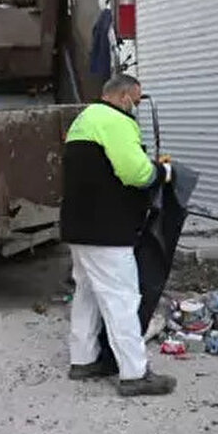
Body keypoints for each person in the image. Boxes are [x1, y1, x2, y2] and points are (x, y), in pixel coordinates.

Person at [59, 73, 177, 397]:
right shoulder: (116, 121)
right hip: (106, 230)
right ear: (124, 97)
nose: (136, 108)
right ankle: (134, 373)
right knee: (122, 299)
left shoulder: (84, 119)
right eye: (136, 102)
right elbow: (134, 173)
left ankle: (83, 360)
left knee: (87, 293)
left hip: (79, 228)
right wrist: (162, 172)